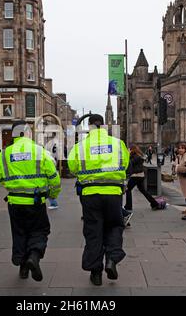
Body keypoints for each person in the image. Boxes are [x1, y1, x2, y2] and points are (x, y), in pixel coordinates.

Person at [0, 121, 61, 282]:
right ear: (28, 133)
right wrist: (52, 193)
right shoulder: (39, 151)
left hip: (15, 202)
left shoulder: (4, 154)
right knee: (39, 231)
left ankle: (22, 266)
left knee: (19, 233)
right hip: (35, 202)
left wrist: (11, 186)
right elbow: (53, 176)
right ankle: (34, 256)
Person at [68, 115, 130, 287]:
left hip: (90, 194)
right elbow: (125, 164)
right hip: (113, 193)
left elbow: (72, 167)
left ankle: (96, 273)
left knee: (93, 231)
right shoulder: (117, 143)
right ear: (103, 125)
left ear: (89, 126)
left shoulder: (80, 146)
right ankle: (112, 260)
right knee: (114, 226)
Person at [124, 145, 163, 217]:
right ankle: (154, 203)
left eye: (129, 149)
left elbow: (129, 164)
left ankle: (128, 206)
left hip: (136, 176)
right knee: (143, 190)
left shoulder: (135, 157)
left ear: (132, 150)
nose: (128, 150)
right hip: (140, 176)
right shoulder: (138, 155)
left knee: (128, 189)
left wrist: (127, 155)